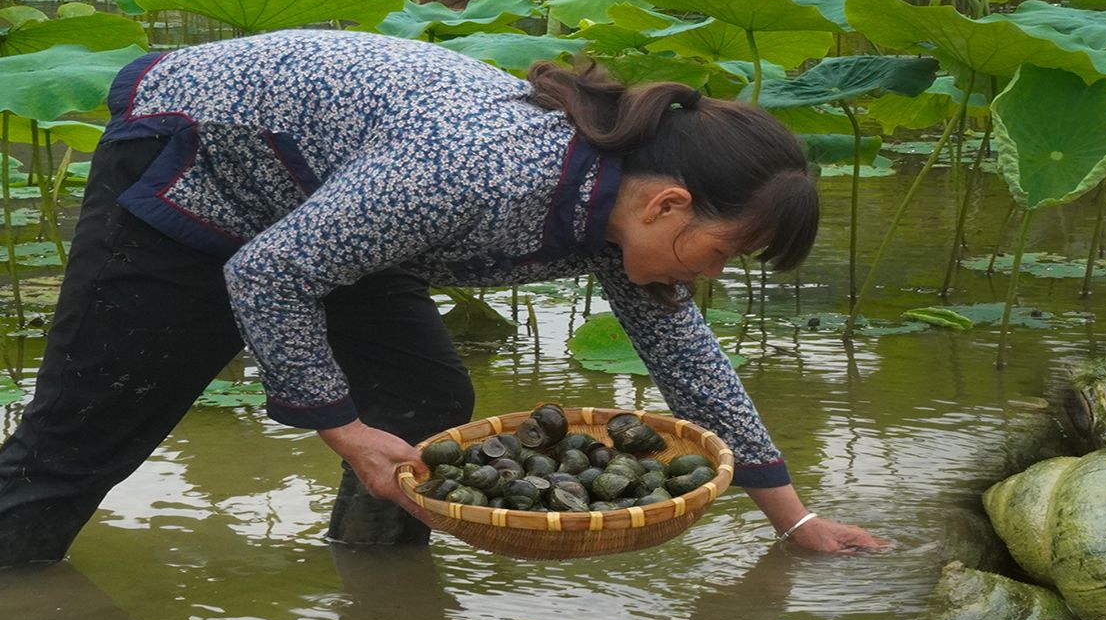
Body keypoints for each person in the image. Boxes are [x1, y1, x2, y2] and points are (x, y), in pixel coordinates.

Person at [0, 29, 887, 565]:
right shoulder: (478, 173)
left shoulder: (616, 215)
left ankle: (378, 605)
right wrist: (340, 429)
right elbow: (267, 274)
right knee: (78, 446)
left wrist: (795, 519)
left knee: (424, 404)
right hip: (199, 160)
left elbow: (690, 364)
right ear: (669, 203)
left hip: (331, 200)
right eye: (721, 254)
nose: (712, 277)